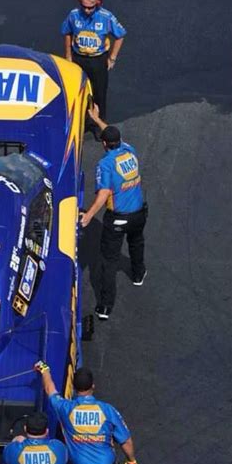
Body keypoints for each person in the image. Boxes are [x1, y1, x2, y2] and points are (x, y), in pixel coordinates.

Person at [80, 103, 147, 321]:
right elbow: (111, 132)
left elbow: (104, 193)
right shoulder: (129, 150)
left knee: (108, 262)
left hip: (118, 218)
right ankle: (138, 274)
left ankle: (105, 306)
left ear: (104, 144)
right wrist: (98, 119)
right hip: (139, 213)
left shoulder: (106, 164)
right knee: (136, 243)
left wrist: (88, 216)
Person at [61, 0, 126, 123]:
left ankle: (99, 124)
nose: (86, 10)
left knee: (99, 93)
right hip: (79, 58)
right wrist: (68, 56)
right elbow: (67, 32)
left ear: (97, 4)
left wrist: (112, 58)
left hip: (98, 60)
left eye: (90, 8)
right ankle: (80, 121)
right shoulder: (73, 15)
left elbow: (120, 35)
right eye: (84, 7)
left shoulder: (106, 17)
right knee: (77, 90)